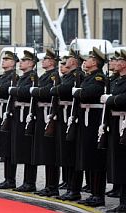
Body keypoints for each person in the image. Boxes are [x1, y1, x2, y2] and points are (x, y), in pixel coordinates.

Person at [49, 49, 85, 201]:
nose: (66, 61)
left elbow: (64, 90)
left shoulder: (77, 75)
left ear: (75, 62)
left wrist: (54, 89)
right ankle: (69, 187)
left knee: (71, 155)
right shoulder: (69, 76)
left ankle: (74, 189)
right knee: (66, 154)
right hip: (64, 116)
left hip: (72, 117)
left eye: (69, 58)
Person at [73, 47, 106, 207]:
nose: (85, 61)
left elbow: (90, 93)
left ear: (95, 62)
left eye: (89, 59)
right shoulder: (88, 77)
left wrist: (78, 92)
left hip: (93, 121)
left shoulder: (98, 77)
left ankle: (98, 195)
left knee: (95, 159)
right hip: (85, 121)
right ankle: (93, 193)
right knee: (88, 158)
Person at [30, 49, 61, 197]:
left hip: (48, 114)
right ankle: (49, 185)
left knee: (50, 152)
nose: (43, 61)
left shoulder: (54, 75)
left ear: (52, 61)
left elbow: (49, 91)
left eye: (46, 59)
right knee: (45, 152)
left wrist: (35, 91)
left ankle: (52, 185)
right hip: (41, 113)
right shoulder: (45, 75)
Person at [8, 50, 39, 192]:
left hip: (26, 115)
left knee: (28, 149)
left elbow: (27, 92)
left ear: (32, 63)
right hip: (18, 114)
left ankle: (30, 182)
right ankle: (25, 181)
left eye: (24, 60)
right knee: (22, 149)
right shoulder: (23, 77)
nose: (21, 62)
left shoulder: (32, 76)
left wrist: (14, 90)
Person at [0, 51, 19, 189]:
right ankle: (7, 178)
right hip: (0, 111)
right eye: (3, 59)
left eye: (7, 59)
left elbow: (7, 90)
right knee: (4, 148)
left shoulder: (14, 77)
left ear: (13, 62)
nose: (4, 61)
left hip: (8, 113)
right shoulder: (2, 76)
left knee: (9, 148)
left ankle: (10, 179)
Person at [105, 49, 126, 212]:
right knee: (119, 161)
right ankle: (122, 202)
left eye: (119, 61)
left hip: (124, 123)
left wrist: (112, 99)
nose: (116, 63)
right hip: (115, 122)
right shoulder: (118, 80)